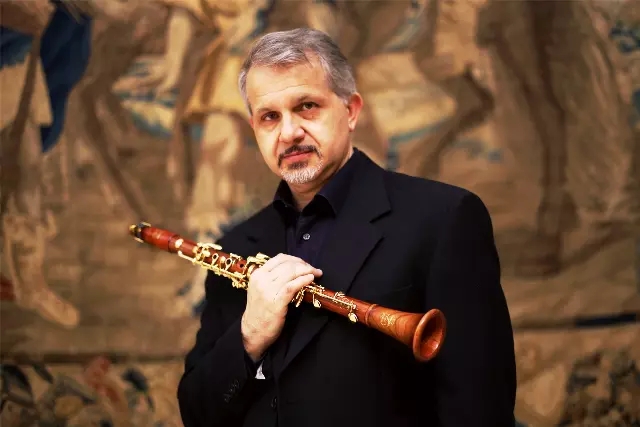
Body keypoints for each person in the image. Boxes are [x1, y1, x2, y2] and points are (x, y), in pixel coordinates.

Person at [176, 27, 517, 427]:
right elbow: (198, 415)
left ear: (351, 110)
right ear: (254, 128)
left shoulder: (444, 218)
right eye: (270, 117)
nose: (289, 132)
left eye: (307, 106)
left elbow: (480, 406)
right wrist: (249, 336)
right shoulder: (234, 245)